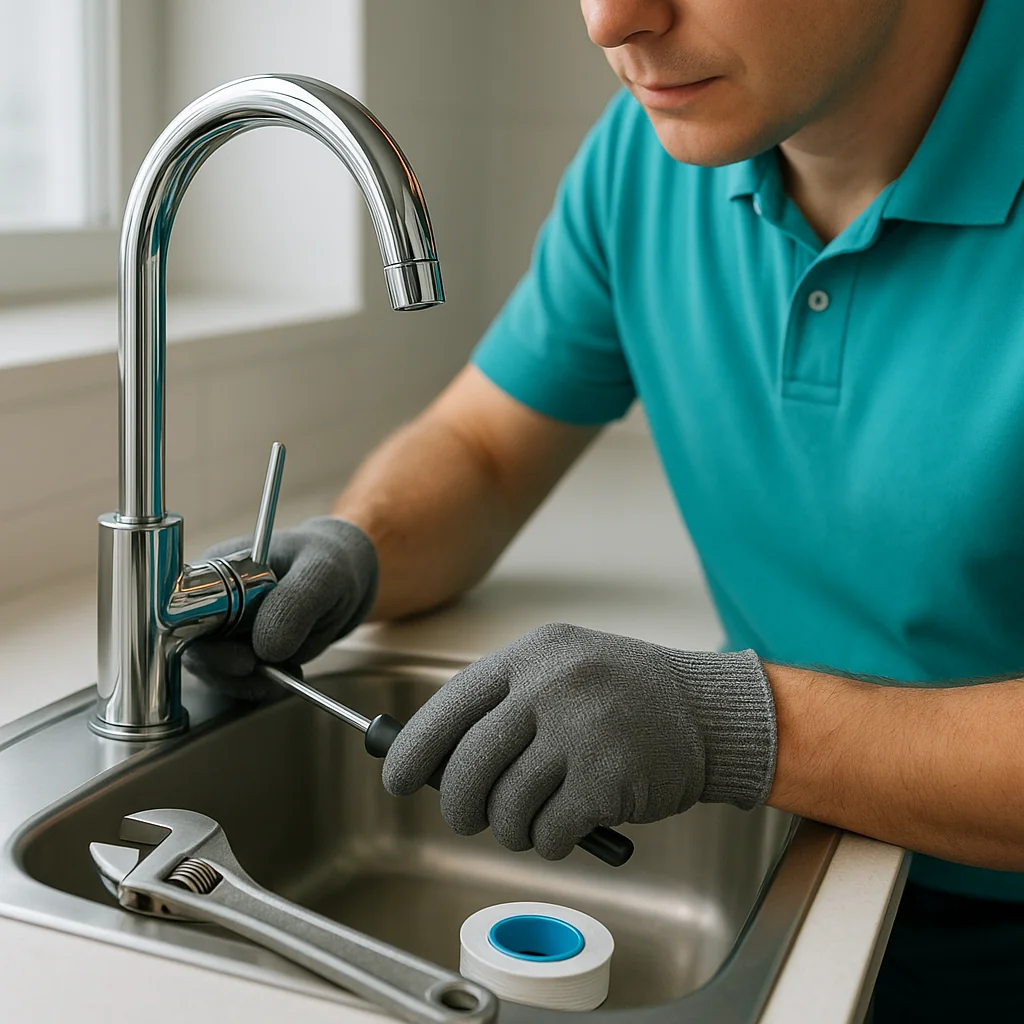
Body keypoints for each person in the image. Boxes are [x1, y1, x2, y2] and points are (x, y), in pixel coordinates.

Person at [187, 1, 1024, 1018]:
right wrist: (354, 548)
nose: (611, 19)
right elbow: (486, 451)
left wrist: (731, 724)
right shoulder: (650, 154)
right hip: (806, 855)